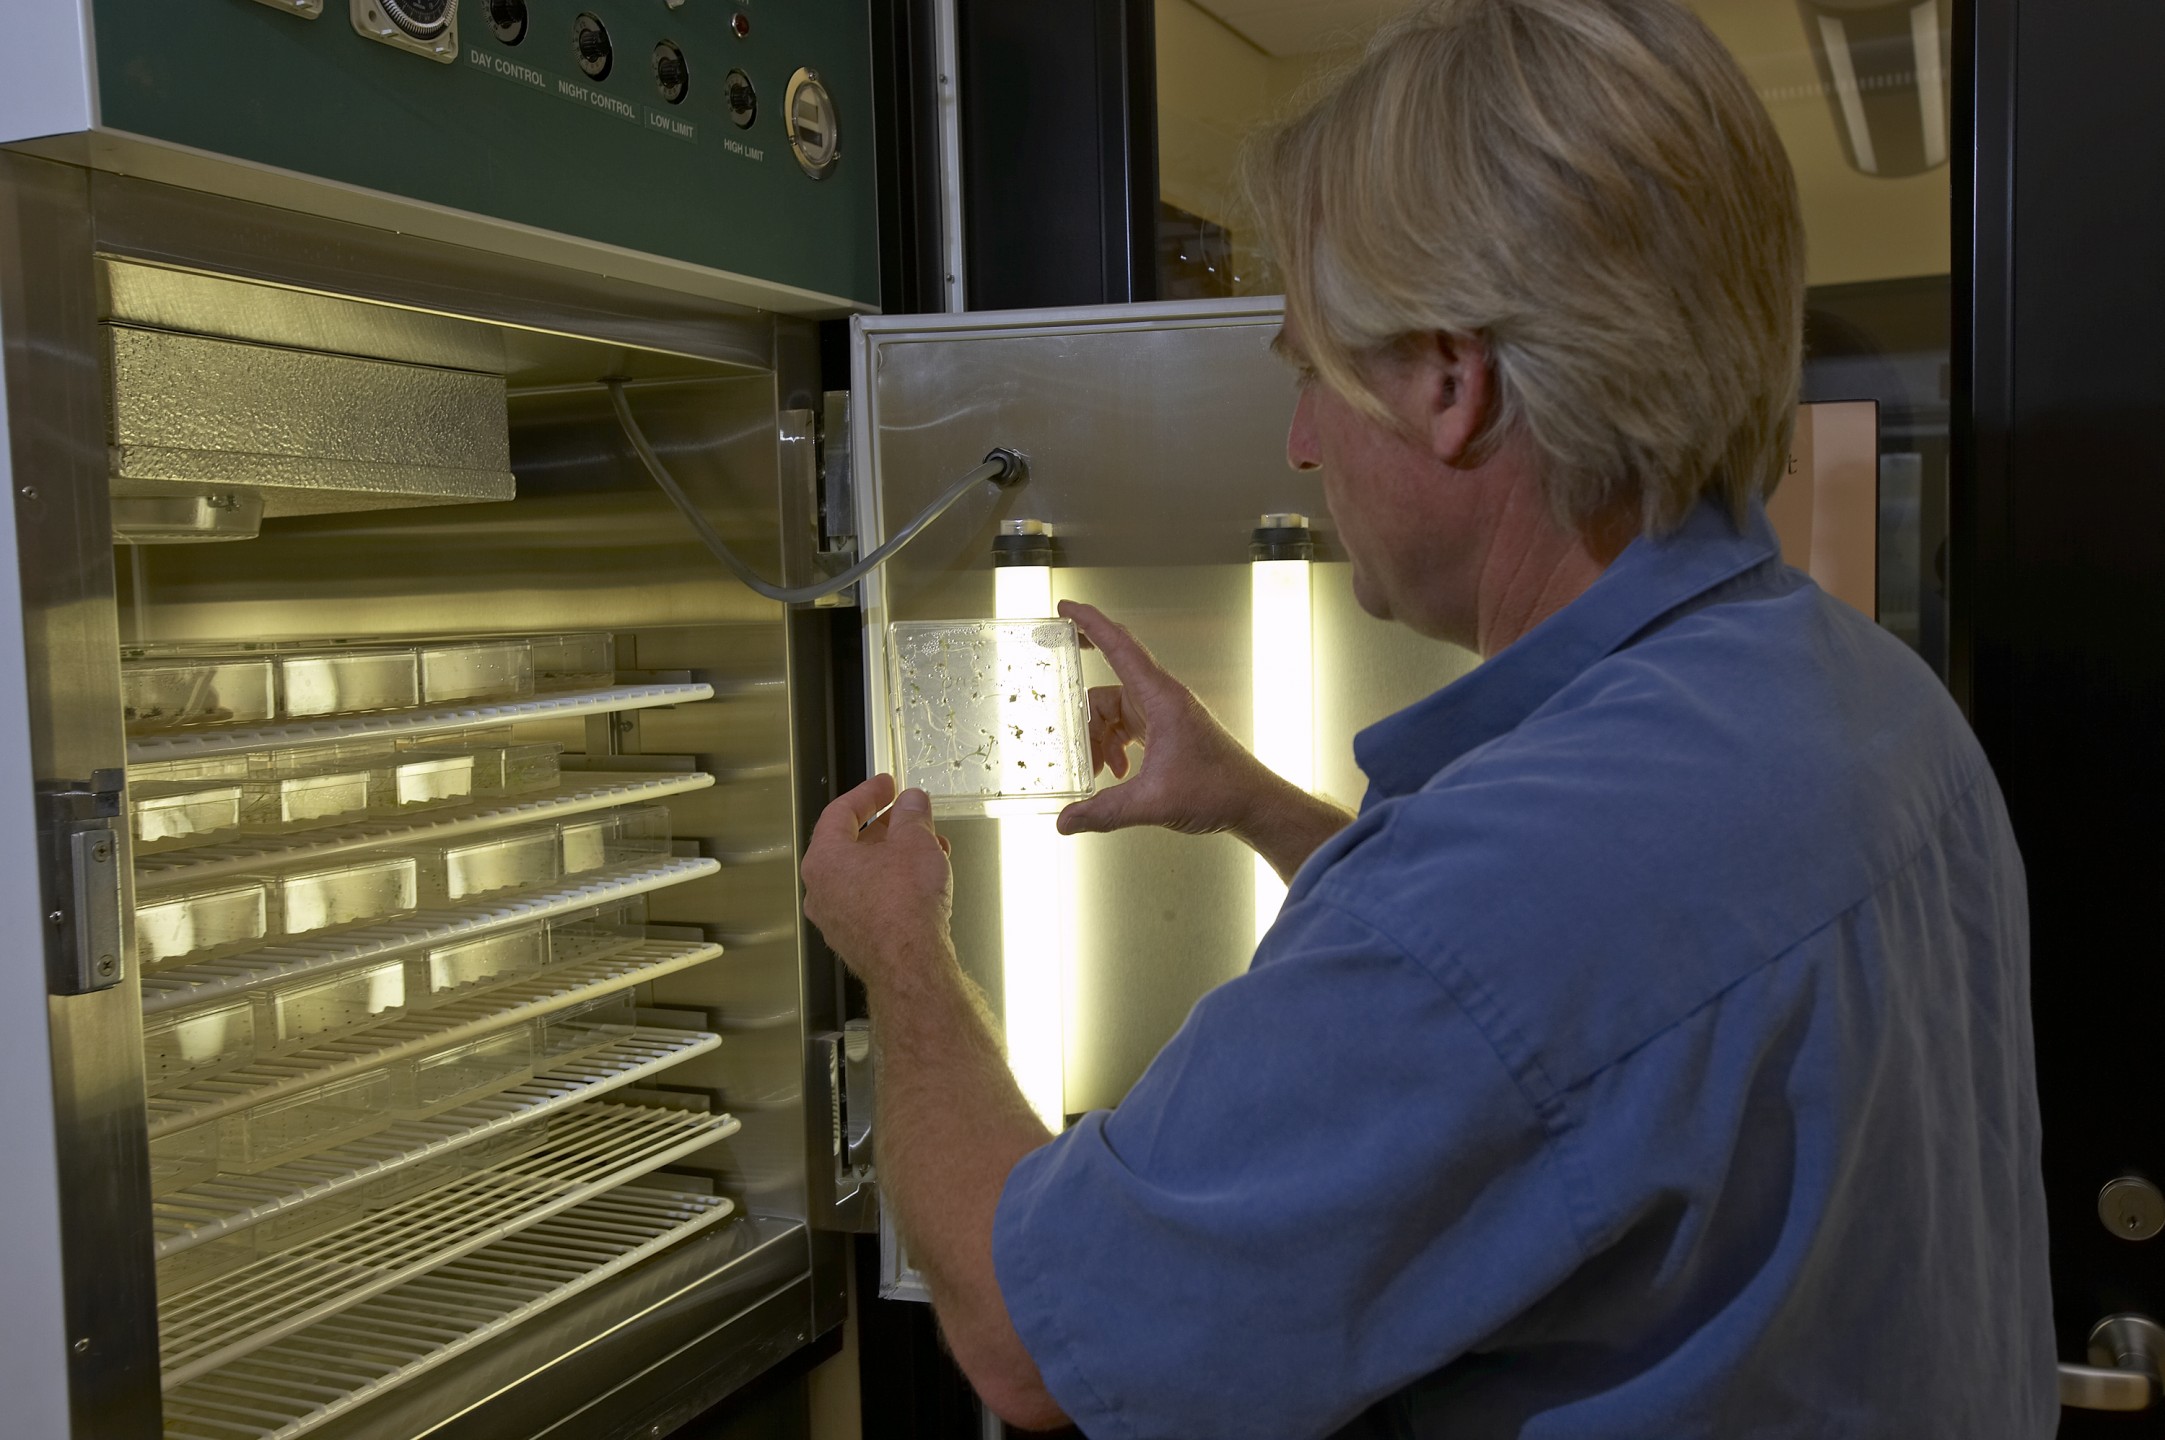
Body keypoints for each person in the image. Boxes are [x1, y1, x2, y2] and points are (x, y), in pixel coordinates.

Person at [800, 0, 2055, 1433]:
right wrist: (1253, 804)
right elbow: (1576, 1038)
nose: (1301, 441)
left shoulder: (1514, 890)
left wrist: (894, 946)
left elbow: (1030, 1347)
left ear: (1450, 386)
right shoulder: (1861, 696)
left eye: (1307, 372)